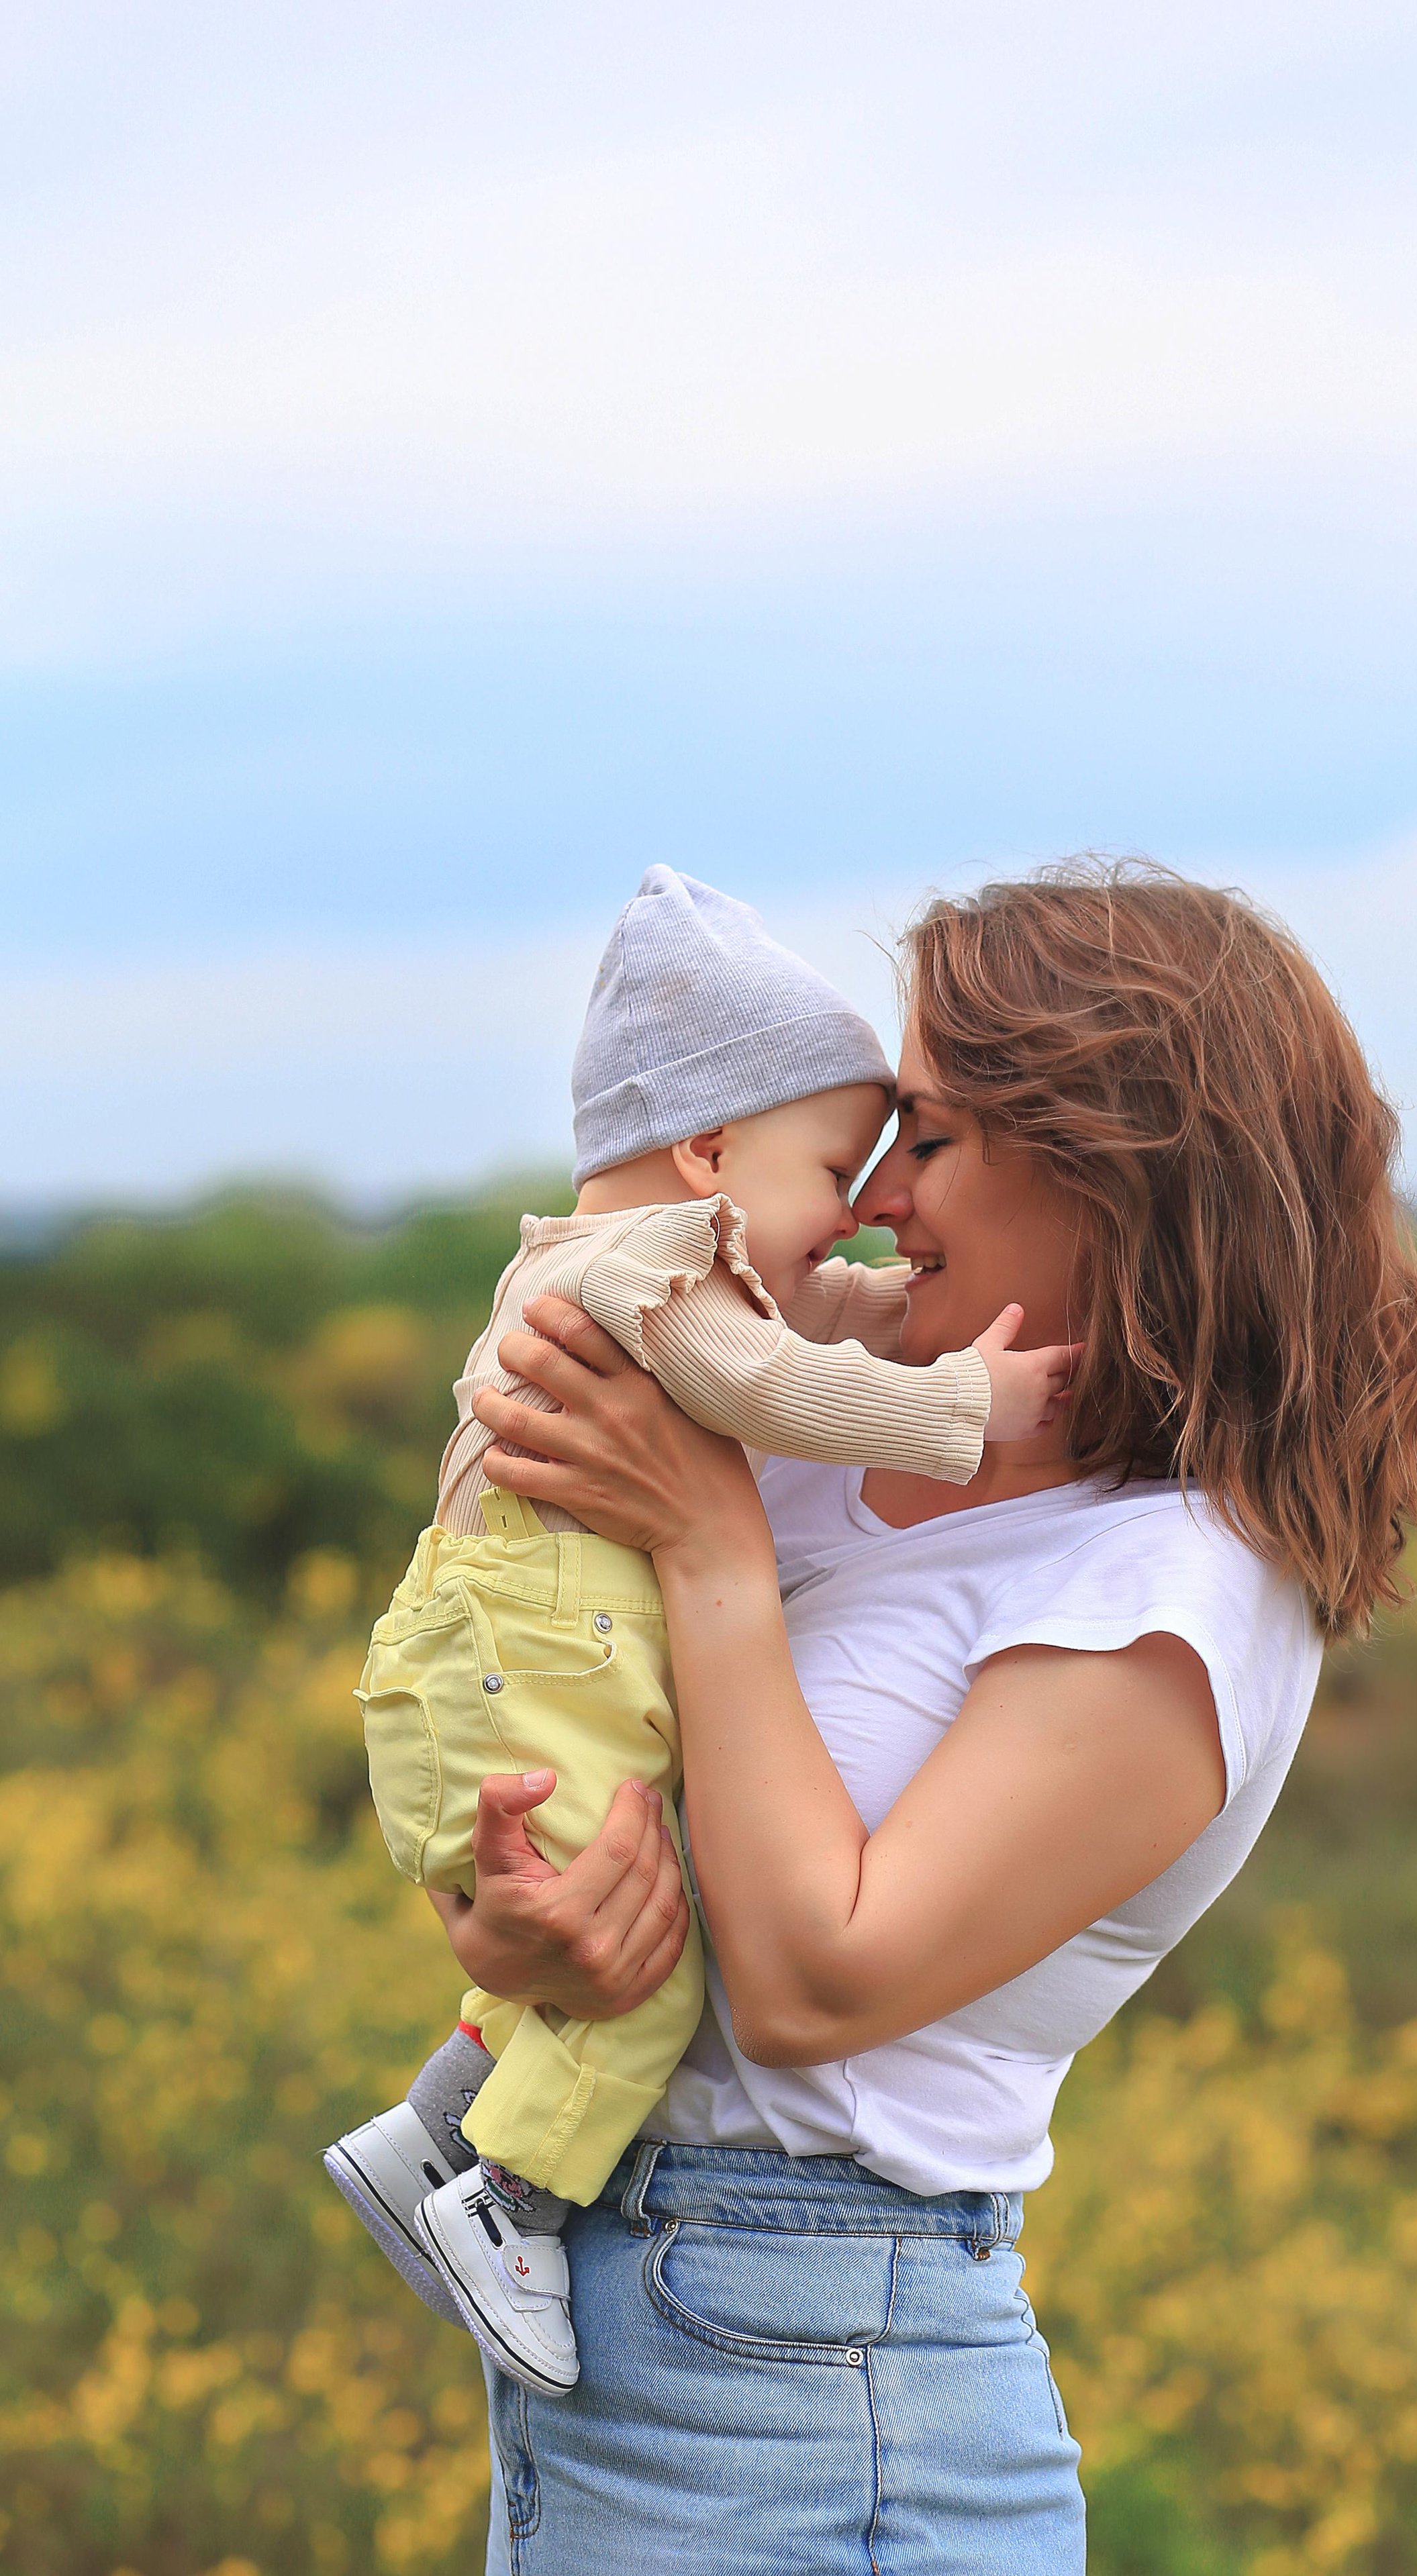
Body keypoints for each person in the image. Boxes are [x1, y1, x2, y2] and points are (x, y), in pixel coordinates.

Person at [429, 860, 1417, 2575]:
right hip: (606, 2327)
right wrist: (514, 1905)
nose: (880, 1191)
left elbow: (821, 1977)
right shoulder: (839, 1435)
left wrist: (706, 1543)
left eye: (935, 1133)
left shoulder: (1177, 1584)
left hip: (818, 2379)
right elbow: (588, 1723)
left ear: (1115, 1175)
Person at [322, 866, 1075, 2396]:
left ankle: (436, 2131)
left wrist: (888, 1325)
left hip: (505, 1647)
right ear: (708, 1148)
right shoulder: (643, 1274)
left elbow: (803, 1331)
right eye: (834, 1166)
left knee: (624, 1889)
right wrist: (964, 1407)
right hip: (529, 1643)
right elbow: (782, 1381)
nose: (856, 1211)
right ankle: (505, 2200)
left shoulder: (631, 1269)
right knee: (652, 1960)